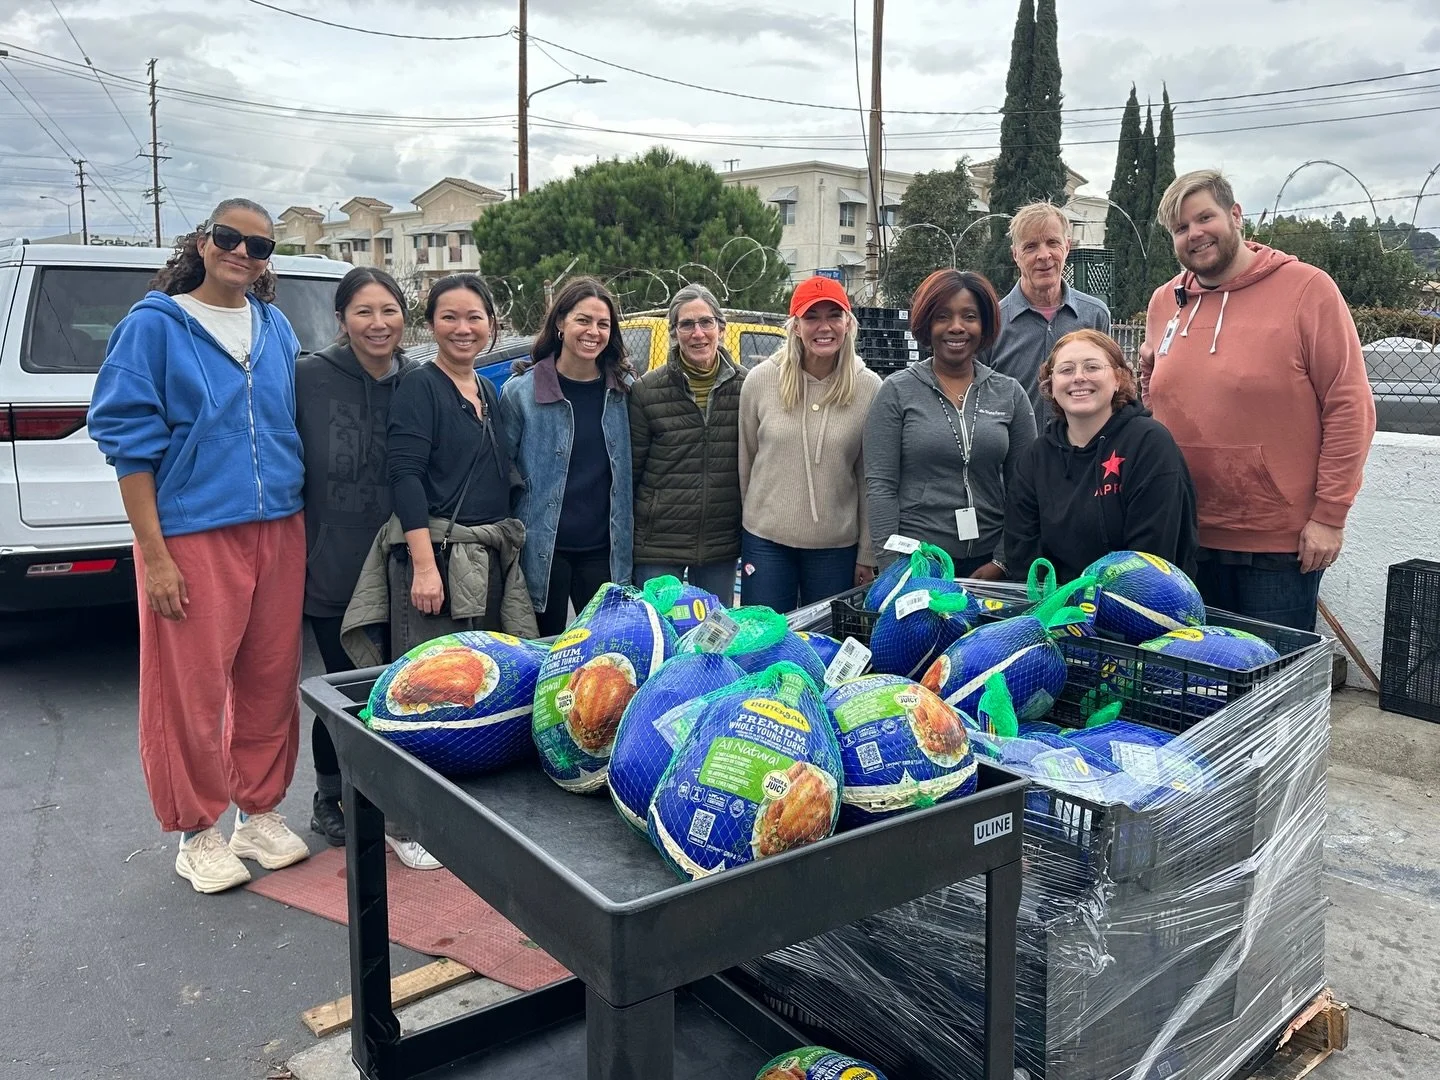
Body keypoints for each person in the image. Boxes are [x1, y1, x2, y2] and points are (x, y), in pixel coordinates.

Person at [89, 198, 310, 894]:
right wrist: (153, 553)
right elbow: (126, 443)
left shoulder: (276, 329)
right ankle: (197, 830)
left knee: (271, 677)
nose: (243, 252)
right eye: (229, 237)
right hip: (192, 532)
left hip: (280, 525)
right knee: (188, 689)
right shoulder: (154, 326)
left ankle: (259, 812)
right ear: (203, 242)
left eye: (260, 245)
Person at [343, 273, 535, 870]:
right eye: (450, 317)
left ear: (492, 326)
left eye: (475, 317)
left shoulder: (489, 390)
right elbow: (404, 476)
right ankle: (403, 823)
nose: (463, 328)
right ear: (431, 325)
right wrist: (425, 567)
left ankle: (457, 813)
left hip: (485, 560)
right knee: (420, 693)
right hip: (436, 560)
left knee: (477, 690)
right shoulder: (419, 388)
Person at [1140, 169, 1376, 631]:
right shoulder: (1165, 302)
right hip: (1183, 536)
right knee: (1192, 689)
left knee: (1272, 687)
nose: (1195, 234)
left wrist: (1329, 517)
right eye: (1181, 228)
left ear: (1235, 215)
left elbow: (1349, 406)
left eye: (1204, 217)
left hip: (1275, 550)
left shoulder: (1308, 290)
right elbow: (1155, 400)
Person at [295, 267, 410, 847]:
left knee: (399, 686)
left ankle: (392, 797)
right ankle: (328, 794)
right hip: (333, 563)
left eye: (388, 310)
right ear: (341, 319)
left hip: (402, 566)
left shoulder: (418, 380)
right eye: (363, 311)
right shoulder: (306, 378)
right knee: (343, 690)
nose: (377, 323)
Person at [865, 269, 1036, 580]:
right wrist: (894, 568)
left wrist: (1002, 559)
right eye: (943, 317)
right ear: (927, 325)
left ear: (983, 325)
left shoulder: (1009, 393)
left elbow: (1025, 489)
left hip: (990, 564)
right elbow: (881, 487)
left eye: (969, 316)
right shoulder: (897, 391)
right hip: (918, 562)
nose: (956, 327)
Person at [1005, 329, 1198, 584]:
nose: (1079, 378)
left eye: (1092, 367)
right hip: (1057, 609)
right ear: (1051, 386)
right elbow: (1023, 552)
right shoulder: (1036, 458)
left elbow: (1155, 554)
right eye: (1066, 370)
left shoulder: (1149, 444)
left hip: (1139, 605)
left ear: (1118, 378)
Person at [499, 278, 635, 636]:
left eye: (603, 324)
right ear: (560, 323)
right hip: (542, 551)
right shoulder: (520, 394)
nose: (593, 331)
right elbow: (502, 474)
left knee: (600, 658)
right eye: (583, 320)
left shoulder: (623, 392)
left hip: (603, 551)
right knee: (538, 657)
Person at [739, 276, 881, 610]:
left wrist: (867, 553)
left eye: (834, 315)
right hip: (766, 542)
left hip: (835, 548)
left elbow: (867, 477)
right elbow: (746, 462)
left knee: (823, 648)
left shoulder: (869, 388)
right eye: (812, 317)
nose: (824, 326)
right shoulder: (760, 381)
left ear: (848, 322)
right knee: (764, 644)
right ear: (795, 326)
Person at [629, 285, 745, 602]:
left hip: (720, 544)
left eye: (706, 322)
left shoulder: (748, 388)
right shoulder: (646, 392)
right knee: (660, 637)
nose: (698, 333)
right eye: (687, 324)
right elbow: (633, 473)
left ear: (721, 329)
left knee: (712, 640)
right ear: (675, 332)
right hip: (658, 544)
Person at [983, 201, 1111, 415]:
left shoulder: (1096, 316)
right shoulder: (992, 322)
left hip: (1082, 447)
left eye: (1052, 242)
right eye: (1030, 246)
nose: (1044, 255)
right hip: (1017, 448)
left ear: (1067, 247)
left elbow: (1106, 389)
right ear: (1015, 254)